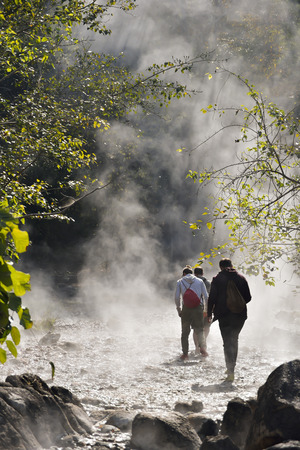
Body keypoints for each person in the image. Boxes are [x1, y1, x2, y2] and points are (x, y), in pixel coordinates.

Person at [207, 258, 251, 383]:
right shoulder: (241, 278)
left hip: (223, 315)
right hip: (239, 315)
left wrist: (209, 313)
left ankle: (230, 371)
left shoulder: (217, 279)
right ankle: (232, 367)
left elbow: (212, 298)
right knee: (234, 339)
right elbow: (248, 297)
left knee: (227, 342)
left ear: (220, 267)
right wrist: (237, 303)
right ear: (232, 265)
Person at [175, 265, 208, 360]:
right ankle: (202, 348)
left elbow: (177, 297)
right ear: (192, 273)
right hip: (198, 308)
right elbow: (206, 296)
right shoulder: (199, 281)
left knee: (185, 332)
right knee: (200, 330)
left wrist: (179, 309)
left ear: (184, 274)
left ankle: (185, 354)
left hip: (186, 309)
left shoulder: (180, 281)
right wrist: (205, 310)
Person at [193, 267, 211, 353]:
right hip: (206, 308)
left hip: (195, 308)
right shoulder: (208, 283)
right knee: (206, 326)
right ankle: (203, 343)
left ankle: (197, 347)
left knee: (196, 328)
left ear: (194, 274)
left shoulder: (192, 282)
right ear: (202, 273)